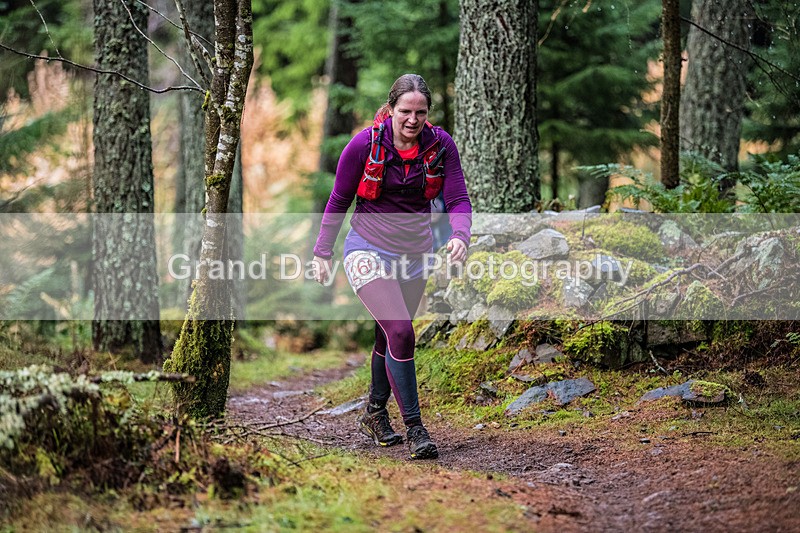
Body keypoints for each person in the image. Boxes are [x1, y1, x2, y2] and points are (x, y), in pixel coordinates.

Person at [312, 74, 472, 459]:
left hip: (414, 255)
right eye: (405, 112)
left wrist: (459, 235)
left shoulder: (440, 145)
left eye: (420, 112)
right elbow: (338, 201)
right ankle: (415, 428)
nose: (413, 120)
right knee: (401, 332)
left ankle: (374, 414)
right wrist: (322, 253)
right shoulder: (364, 145)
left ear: (427, 113)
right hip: (366, 249)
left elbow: (458, 198)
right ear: (391, 109)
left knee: (388, 336)